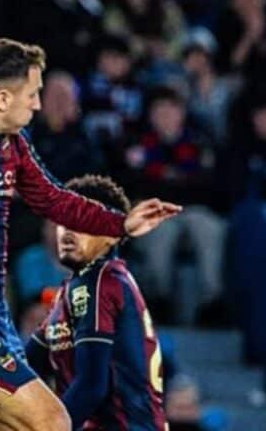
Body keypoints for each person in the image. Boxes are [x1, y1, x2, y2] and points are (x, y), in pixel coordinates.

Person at [0, 38, 180, 430]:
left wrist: (120, 224)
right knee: (52, 420)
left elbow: (53, 199)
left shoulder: (14, 144)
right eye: (33, 93)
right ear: (4, 98)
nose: (38, 105)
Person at [25, 175, 167, 430]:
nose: (68, 230)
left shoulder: (101, 282)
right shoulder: (74, 289)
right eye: (64, 220)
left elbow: (91, 386)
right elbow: (27, 365)